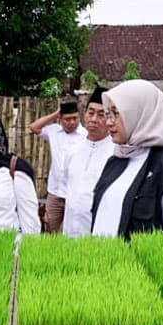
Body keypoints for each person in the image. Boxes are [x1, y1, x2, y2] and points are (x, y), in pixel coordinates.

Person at [91, 79, 163, 238]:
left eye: (116, 113)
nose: (108, 122)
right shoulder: (116, 161)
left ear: (140, 112)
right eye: (108, 114)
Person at [28, 99, 87, 233]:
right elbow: (33, 127)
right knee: (48, 229)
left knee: (73, 232)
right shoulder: (54, 131)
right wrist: (55, 114)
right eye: (67, 119)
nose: (72, 122)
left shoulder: (86, 136)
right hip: (55, 193)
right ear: (60, 119)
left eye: (75, 118)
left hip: (75, 193)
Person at [62, 86, 113, 237]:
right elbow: (67, 186)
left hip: (99, 233)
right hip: (70, 229)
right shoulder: (73, 150)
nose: (94, 119)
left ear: (110, 119)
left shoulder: (115, 154)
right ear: (84, 114)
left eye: (101, 114)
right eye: (90, 113)